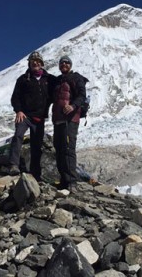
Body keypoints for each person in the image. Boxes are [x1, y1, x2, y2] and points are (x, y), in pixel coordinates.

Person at [7, 51, 54, 179]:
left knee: (36, 145)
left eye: (38, 61)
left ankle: (35, 173)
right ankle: (13, 165)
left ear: (42, 64)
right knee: (18, 136)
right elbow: (15, 98)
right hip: (25, 115)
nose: (35, 63)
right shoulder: (23, 79)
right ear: (29, 63)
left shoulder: (49, 79)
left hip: (39, 118)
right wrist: (19, 111)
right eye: (33, 61)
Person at [52, 55, 88, 192]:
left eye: (67, 63)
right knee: (59, 149)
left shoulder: (76, 78)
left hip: (71, 119)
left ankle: (72, 181)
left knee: (68, 149)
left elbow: (82, 95)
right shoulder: (57, 81)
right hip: (58, 120)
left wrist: (73, 106)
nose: (64, 65)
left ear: (70, 65)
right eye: (62, 63)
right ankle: (64, 180)